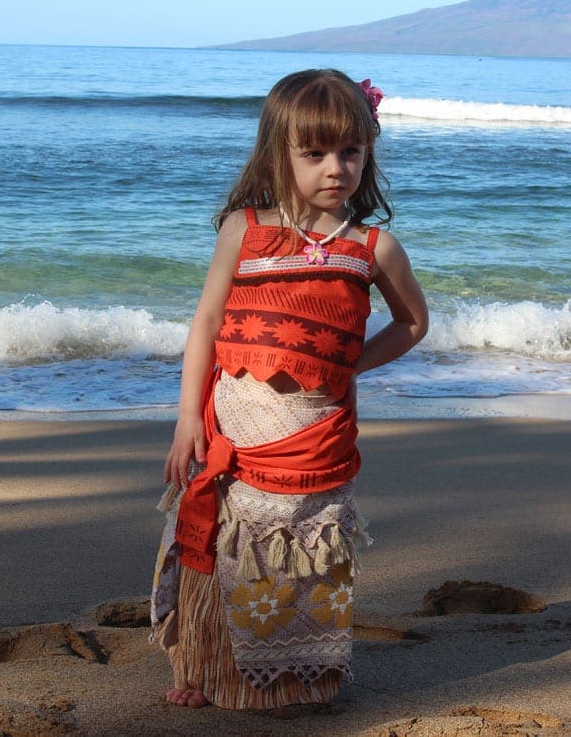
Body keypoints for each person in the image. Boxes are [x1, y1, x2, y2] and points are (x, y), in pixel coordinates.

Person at [151, 68, 428, 710]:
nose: (337, 168)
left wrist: (345, 368)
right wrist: (186, 417)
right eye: (316, 153)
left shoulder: (372, 248)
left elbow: (413, 323)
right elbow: (207, 323)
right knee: (224, 549)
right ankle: (205, 670)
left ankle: (306, 675)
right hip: (236, 429)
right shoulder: (243, 231)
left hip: (316, 437)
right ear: (280, 154)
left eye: (351, 151)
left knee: (303, 555)